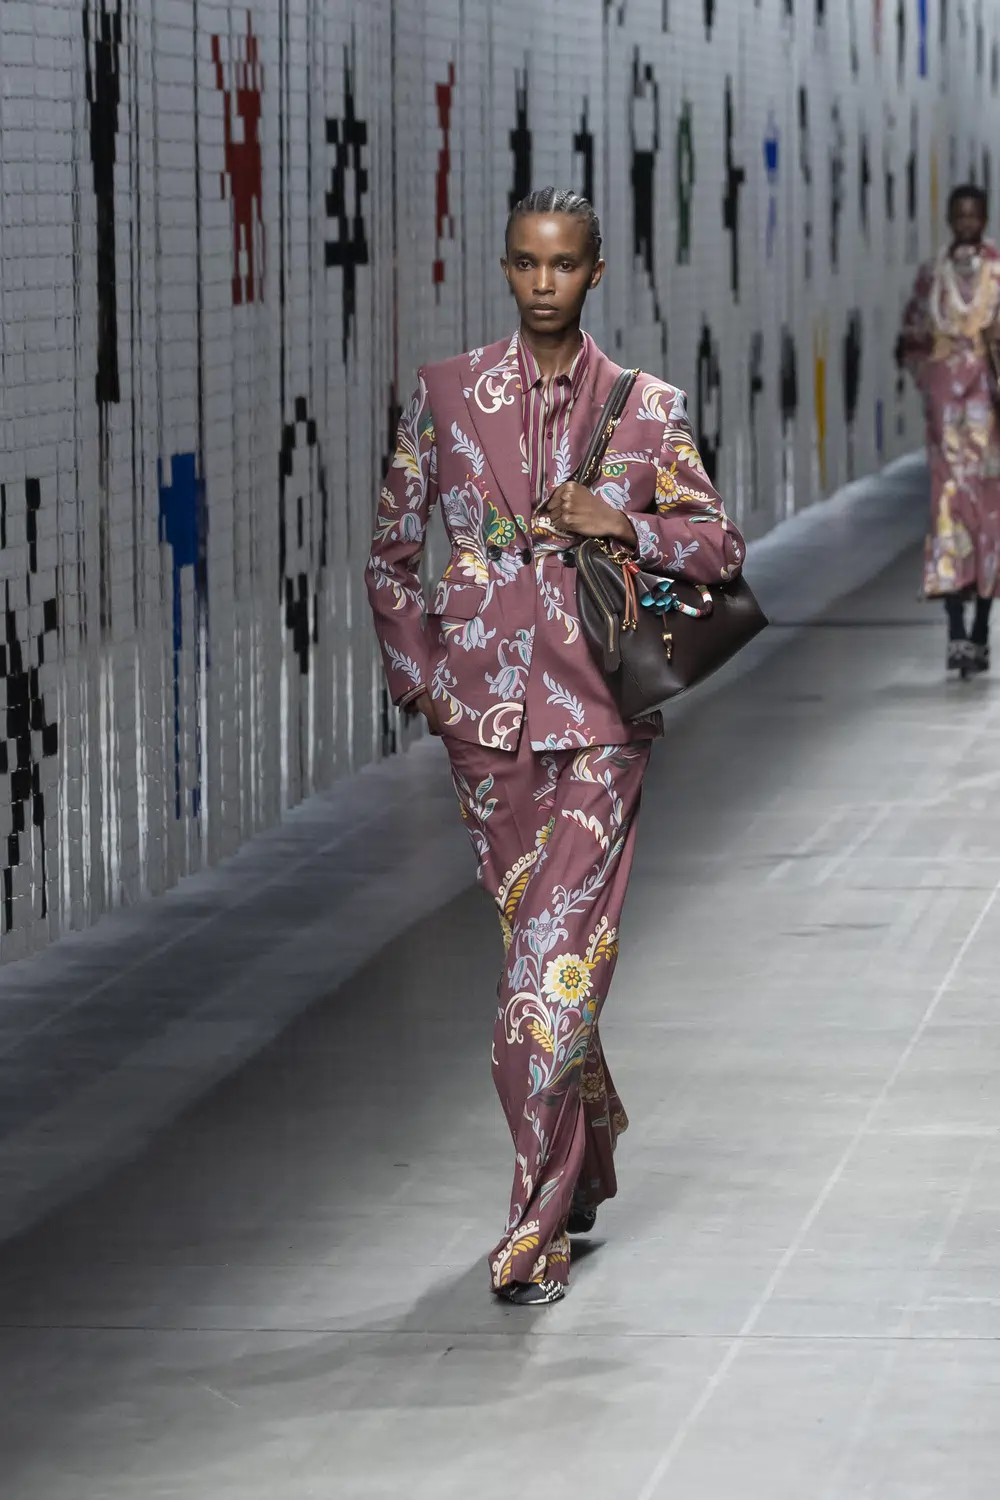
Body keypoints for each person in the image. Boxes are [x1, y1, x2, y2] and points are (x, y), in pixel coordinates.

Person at [366, 187, 745, 1305]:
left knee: (547, 966)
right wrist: (425, 684)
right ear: (505, 267)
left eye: (564, 264)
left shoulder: (648, 409)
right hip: (483, 724)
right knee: (539, 953)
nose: (544, 283)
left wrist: (621, 523)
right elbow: (392, 551)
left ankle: (534, 1227)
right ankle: (589, 1153)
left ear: (595, 272)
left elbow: (719, 548)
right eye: (527, 263)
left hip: (601, 720)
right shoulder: (446, 393)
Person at [896, 183, 1000, 676]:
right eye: (959, 215)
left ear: (984, 218)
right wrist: (933, 379)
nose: (966, 223)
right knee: (948, 514)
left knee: (988, 519)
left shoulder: (997, 271)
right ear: (949, 218)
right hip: (946, 420)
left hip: (989, 415)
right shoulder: (933, 275)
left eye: (973, 215)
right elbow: (911, 338)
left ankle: (980, 630)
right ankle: (957, 630)